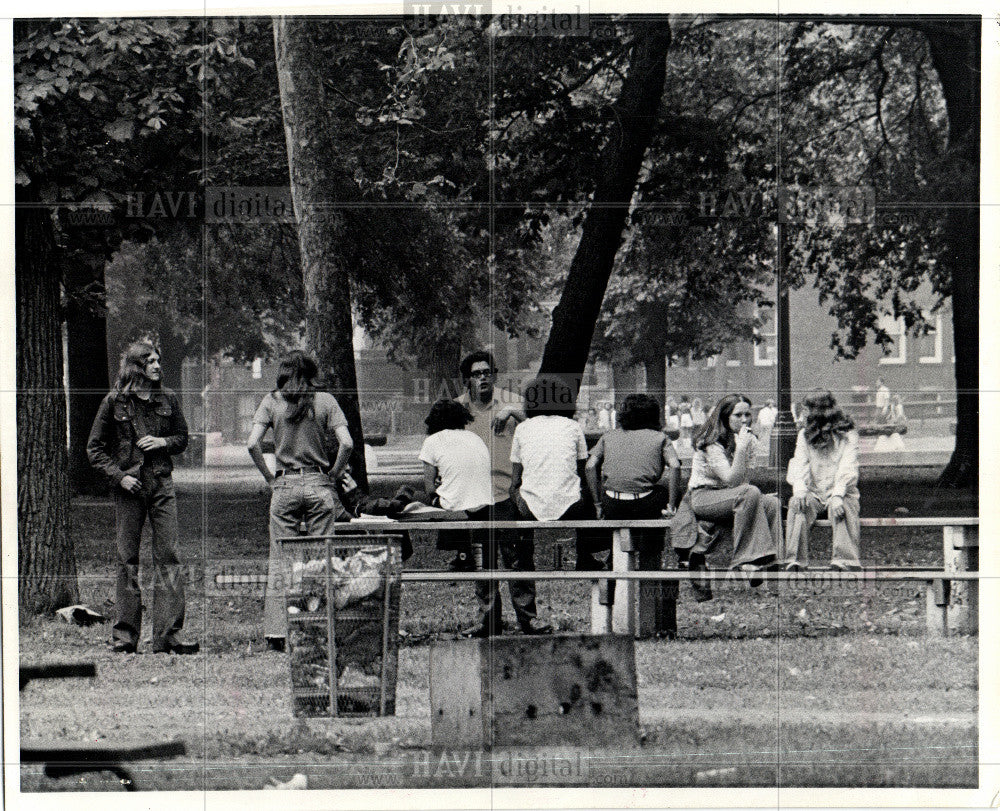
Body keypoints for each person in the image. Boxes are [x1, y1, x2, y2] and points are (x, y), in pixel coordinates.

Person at [87, 340, 197, 654]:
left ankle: (167, 637)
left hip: (162, 485)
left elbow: (182, 439)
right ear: (137, 366)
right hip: (129, 489)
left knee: (169, 558)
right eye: (151, 361)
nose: (158, 366)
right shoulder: (114, 402)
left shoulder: (168, 398)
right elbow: (94, 450)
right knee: (127, 560)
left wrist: (162, 441)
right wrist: (119, 477)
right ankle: (125, 637)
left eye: (158, 361)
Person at [247, 351, 354, 652]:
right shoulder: (326, 401)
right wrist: (334, 473)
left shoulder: (272, 401)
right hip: (319, 483)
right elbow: (347, 443)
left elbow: (252, 443)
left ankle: (278, 632)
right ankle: (319, 627)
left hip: (285, 483)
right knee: (322, 560)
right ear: (312, 373)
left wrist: (270, 478)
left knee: (282, 561)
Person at [454, 351, 550, 636]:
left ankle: (528, 618)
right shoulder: (457, 409)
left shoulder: (510, 402)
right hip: (474, 495)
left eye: (487, 372)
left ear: (494, 375)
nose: (482, 377)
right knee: (483, 562)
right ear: (467, 380)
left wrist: (512, 413)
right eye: (476, 373)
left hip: (509, 493)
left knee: (519, 558)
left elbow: (539, 427)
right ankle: (488, 620)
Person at [671, 393, 780, 600]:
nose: (745, 419)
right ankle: (745, 560)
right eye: (738, 415)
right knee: (751, 492)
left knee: (772, 503)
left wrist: (744, 447)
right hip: (704, 497)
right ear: (724, 417)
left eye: (748, 414)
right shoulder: (711, 442)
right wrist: (740, 449)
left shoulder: (746, 440)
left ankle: (768, 561)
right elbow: (731, 480)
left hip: (729, 496)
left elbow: (742, 481)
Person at [511, 375, 604, 576]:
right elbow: (582, 468)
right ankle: (585, 556)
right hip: (570, 506)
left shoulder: (522, 428)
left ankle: (524, 557)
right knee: (586, 491)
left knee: (514, 493)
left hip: (530, 508)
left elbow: (516, 477)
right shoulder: (572, 427)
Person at [585, 393, 681, 572]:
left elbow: (590, 467)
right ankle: (650, 562)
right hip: (645, 503)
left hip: (613, 502)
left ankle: (612, 567)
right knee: (662, 492)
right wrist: (672, 505)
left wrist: (598, 503)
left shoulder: (609, 436)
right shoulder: (660, 438)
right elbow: (675, 466)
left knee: (619, 533)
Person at [784, 390, 861, 571]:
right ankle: (794, 560)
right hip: (814, 492)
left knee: (843, 507)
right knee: (797, 504)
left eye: (805, 410)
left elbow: (848, 467)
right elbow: (799, 463)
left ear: (817, 411)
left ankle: (844, 560)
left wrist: (838, 494)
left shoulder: (847, 434)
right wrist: (800, 489)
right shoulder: (804, 435)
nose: (802, 414)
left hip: (842, 491)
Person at [418, 398, 493, 558]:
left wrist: (440, 484)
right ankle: (464, 553)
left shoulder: (432, 441)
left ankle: (461, 553)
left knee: (417, 497)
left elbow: (429, 488)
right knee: (454, 495)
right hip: (485, 505)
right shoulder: (475, 438)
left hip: (455, 507)